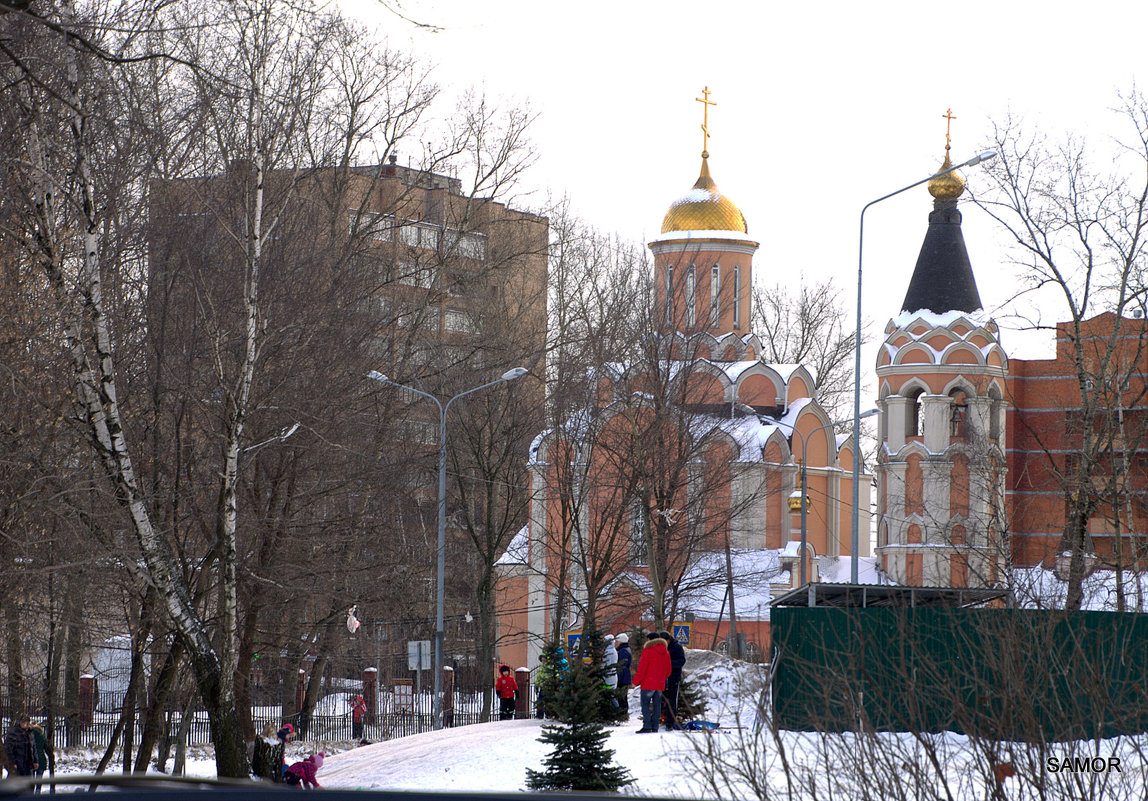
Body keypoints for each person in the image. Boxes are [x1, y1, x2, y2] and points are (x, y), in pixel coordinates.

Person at [631, 634, 671, 733]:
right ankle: (655, 727)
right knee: (657, 706)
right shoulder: (666, 652)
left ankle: (647, 726)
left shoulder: (647, 651)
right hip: (659, 684)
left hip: (648, 683)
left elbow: (642, 669)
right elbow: (669, 670)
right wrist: (661, 678)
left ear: (649, 640)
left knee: (645, 705)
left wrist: (634, 682)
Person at [658, 630, 686, 730]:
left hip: (673, 677)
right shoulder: (661, 647)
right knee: (661, 699)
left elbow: (681, 661)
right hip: (662, 678)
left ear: (668, 640)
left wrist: (669, 664)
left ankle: (670, 723)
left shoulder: (677, 647)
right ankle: (660, 719)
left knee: (672, 700)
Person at [30, 723, 53, 793]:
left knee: (31, 778)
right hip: (41, 760)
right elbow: (47, 748)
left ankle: (31, 793)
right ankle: (38, 791)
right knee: (39, 778)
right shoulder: (42, 736)